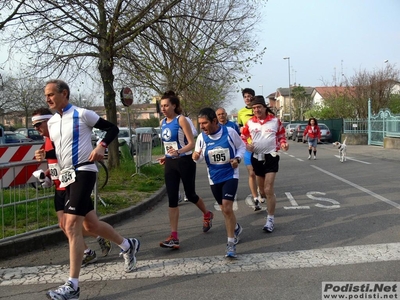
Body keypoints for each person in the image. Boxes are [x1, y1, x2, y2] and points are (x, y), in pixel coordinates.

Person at [40, 79, 140, 300]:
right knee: (91, 224)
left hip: (84, 170)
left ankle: (73, 286)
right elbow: (59, 152)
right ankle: (127, 244)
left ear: (64, 93)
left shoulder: (82, 114)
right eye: (45, 95)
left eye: (50, 94)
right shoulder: (53, 122)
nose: (47, 99)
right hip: (67, 175)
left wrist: (100, 146)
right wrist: (51, 172)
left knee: (71, 225)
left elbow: (112, 129)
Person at [32, 107, 112, 267]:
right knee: (68, 225)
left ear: (50, 121)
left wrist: (48, 156)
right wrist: (46, 175)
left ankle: (122, 243)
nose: (37, 129)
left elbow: (65, 158)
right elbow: (56, 164)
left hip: (72, 184)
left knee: (81, 225)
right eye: (34, 126)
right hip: (60, 186)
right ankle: (95, 246)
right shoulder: (47, 140)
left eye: (39, 124)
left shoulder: (60, 135)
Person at [158, 91, 214, 250]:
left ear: (174, 105)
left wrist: (179, 152)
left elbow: (191, 143)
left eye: (166, 105)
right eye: (161, 106)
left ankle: (207, 214)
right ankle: (174, 237)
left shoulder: (181, 120)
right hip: (170, 162)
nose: (163, 108)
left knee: (190, 194)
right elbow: (168, 144)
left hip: (185, 161)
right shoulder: (163, 122)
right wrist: (166, 155)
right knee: (172, 199)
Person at [193, 108, 245, 258]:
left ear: (214, 121)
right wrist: (196, 157)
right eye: (200, 124)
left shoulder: (229, 132)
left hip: (230, 174)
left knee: (227, 208)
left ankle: (230, 244)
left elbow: (241, 147)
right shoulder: (202, 138)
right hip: (214, 177)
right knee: (224, 210)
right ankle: (235, 227)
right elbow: (200, 158)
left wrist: (237, 159)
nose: (202, 127)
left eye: (205, 123)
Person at [241, 96, 289, 233]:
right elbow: (243, 137)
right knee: (262, 191)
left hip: (271, 156)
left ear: (264, 107)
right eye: (254, 108)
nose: (256, 110)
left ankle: (270, 219)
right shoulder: (250, 123)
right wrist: (247, 145)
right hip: (256, 157)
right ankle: (268, 201)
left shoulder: (275, 121)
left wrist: (284, 144)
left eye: (259, 107)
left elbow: (281, 136)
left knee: (268, 189)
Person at [237, 88, 266, 211]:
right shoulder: (241, 113)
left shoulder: (259, 110)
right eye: (245, 97)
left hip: (261, 147)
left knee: (261, 173)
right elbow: (239, 130)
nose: (247, 98)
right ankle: (255, 198)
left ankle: (261, 190)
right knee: (252, 173)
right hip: (248, 147)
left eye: (249, 96)